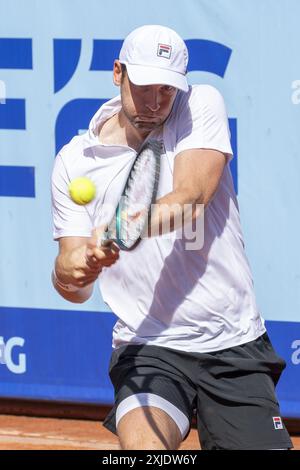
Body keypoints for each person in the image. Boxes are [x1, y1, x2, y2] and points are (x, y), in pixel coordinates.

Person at [51, 25, 292, 450]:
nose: (156, 102)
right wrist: (76, 270)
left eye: (167, 89)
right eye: (144, 86)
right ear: (117, 73)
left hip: (232, 341)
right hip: (148, 347)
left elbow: (191, 196)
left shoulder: (199, 105)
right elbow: (72, 283)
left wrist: (121, 230)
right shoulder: (75, 161)